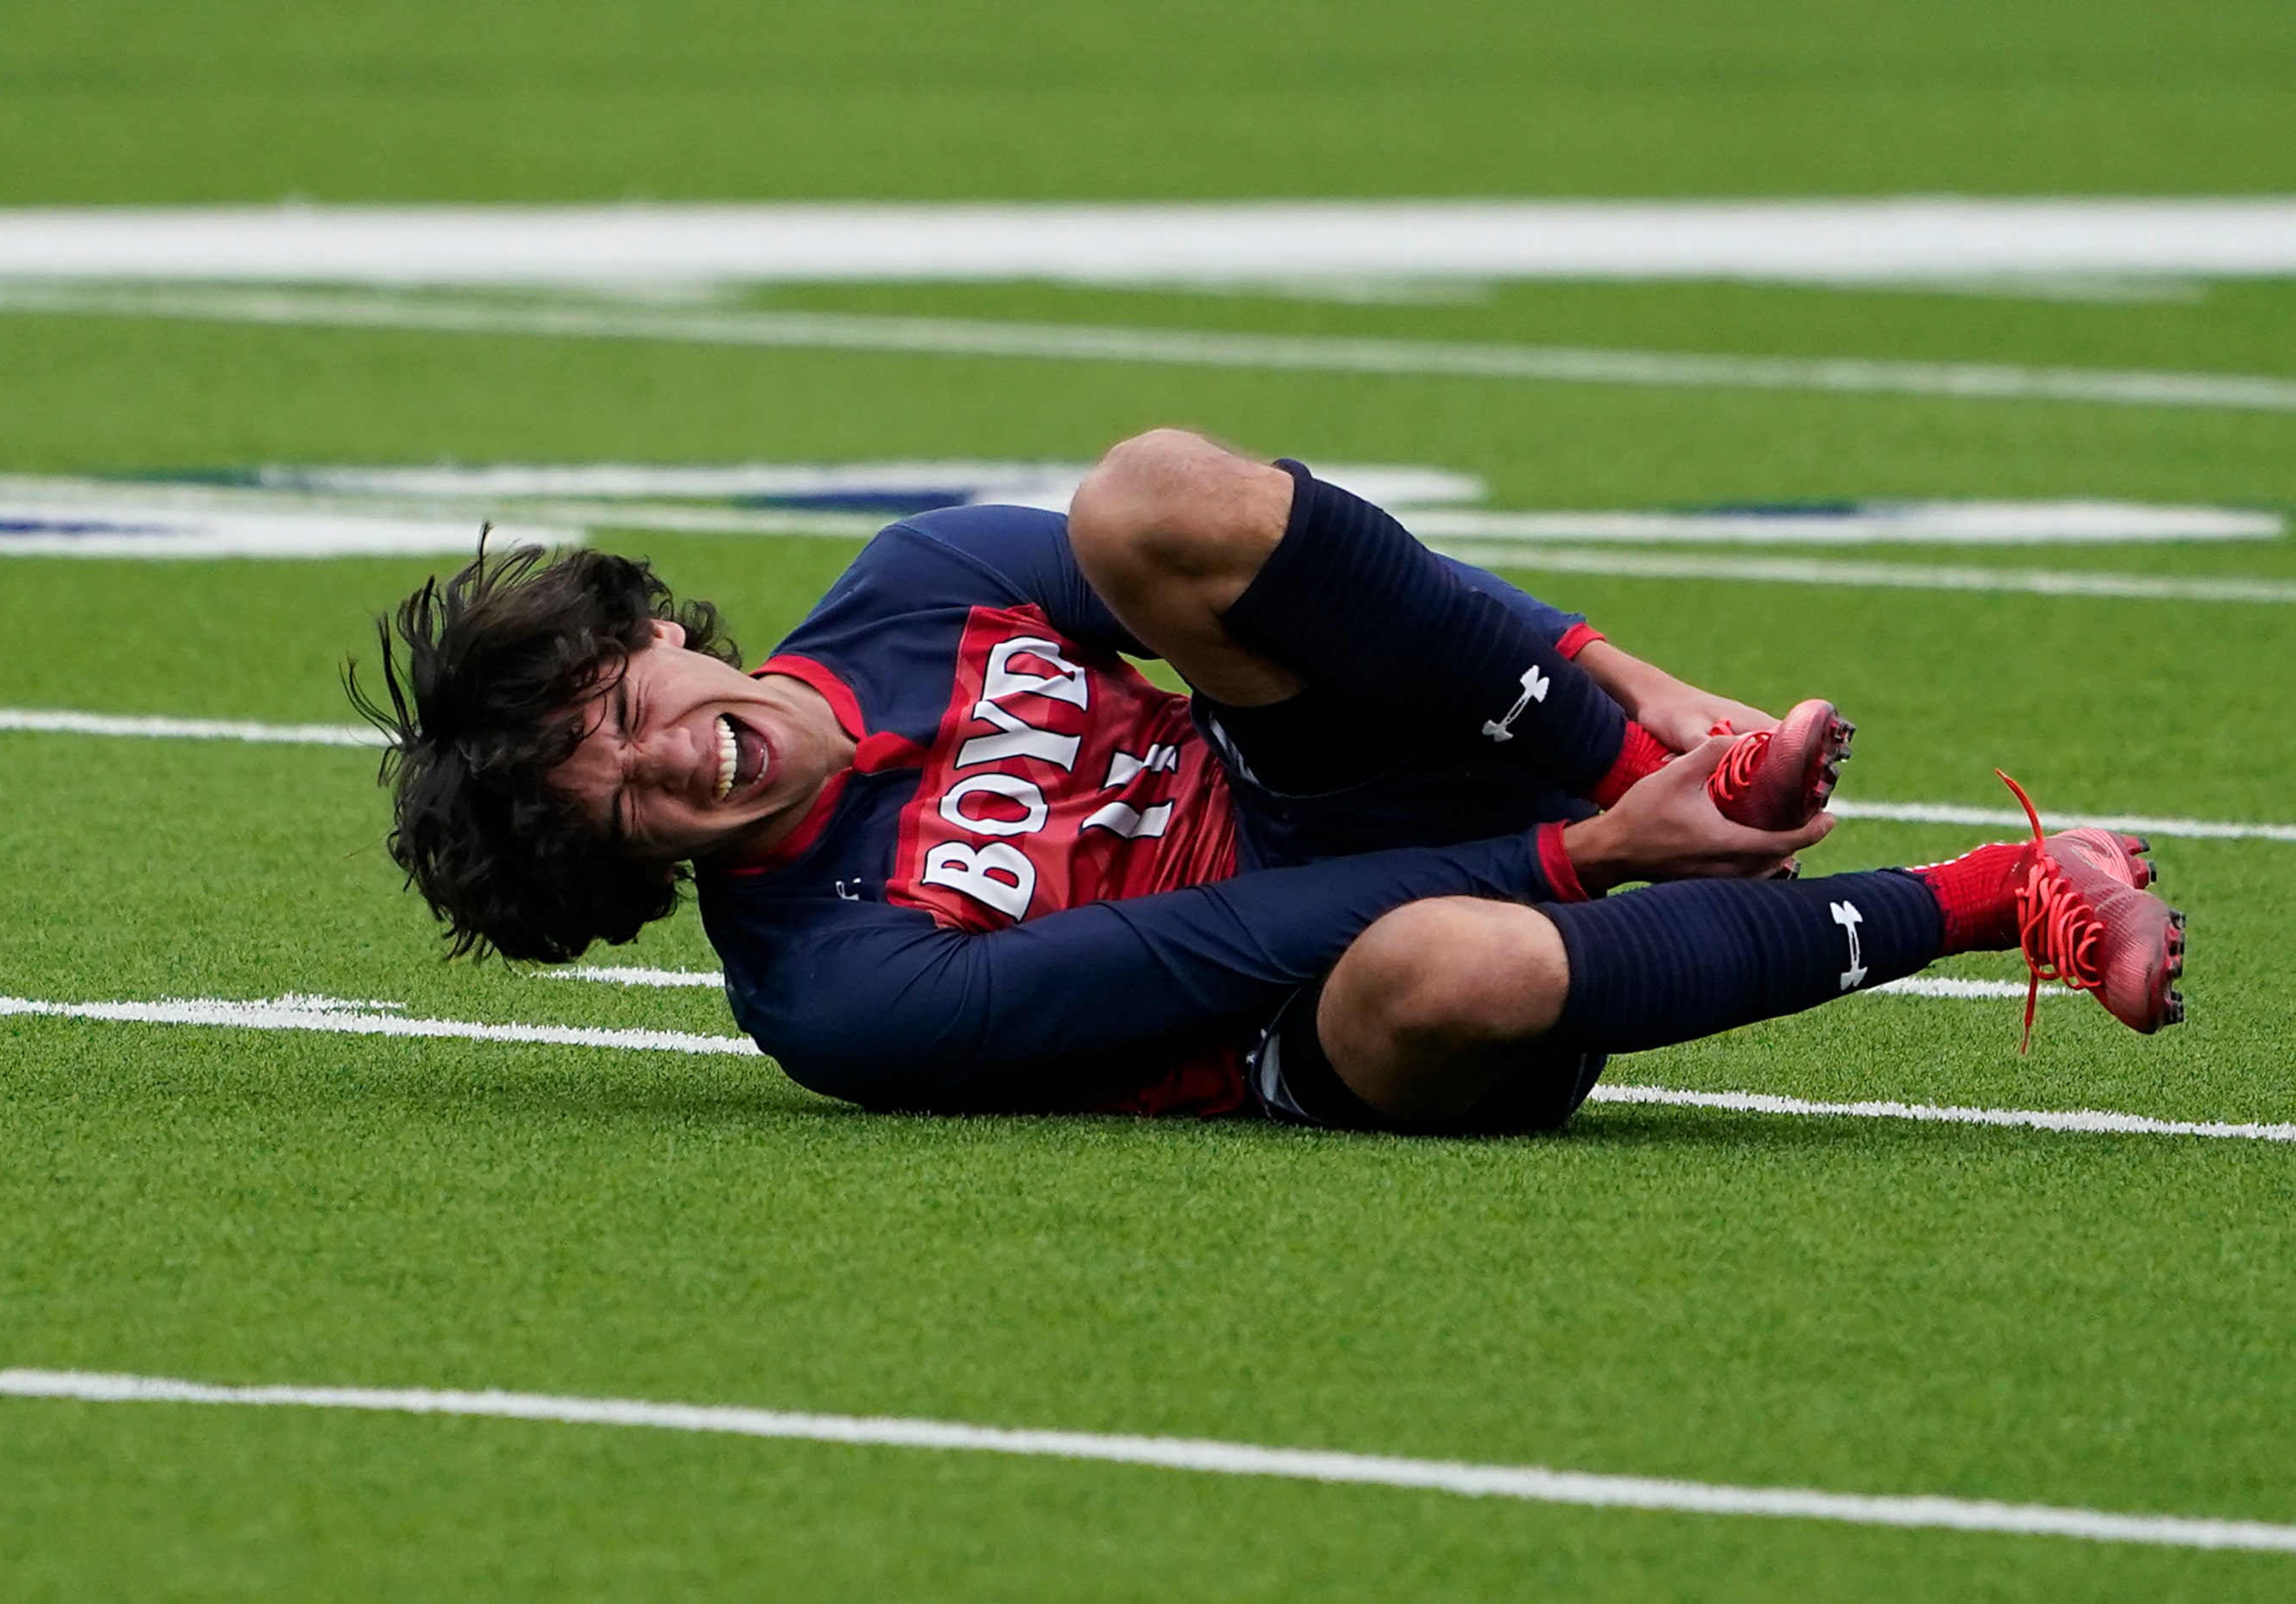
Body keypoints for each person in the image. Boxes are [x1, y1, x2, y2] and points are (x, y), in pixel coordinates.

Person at [351, 430, 2186, 1134]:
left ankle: (1694, 771)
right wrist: (1580, 847)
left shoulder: (913, 586)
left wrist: (1633, 694)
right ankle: (2005, 897)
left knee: (1154, 497)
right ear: (640, 873)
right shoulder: (835, 991)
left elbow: (1307, 578)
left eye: (624, 704)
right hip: (1319, 1012)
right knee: (1440, 966)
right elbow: (1231, 937)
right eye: (627, 804)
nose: (670, 756)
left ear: (660, 627)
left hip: (1330, 786)